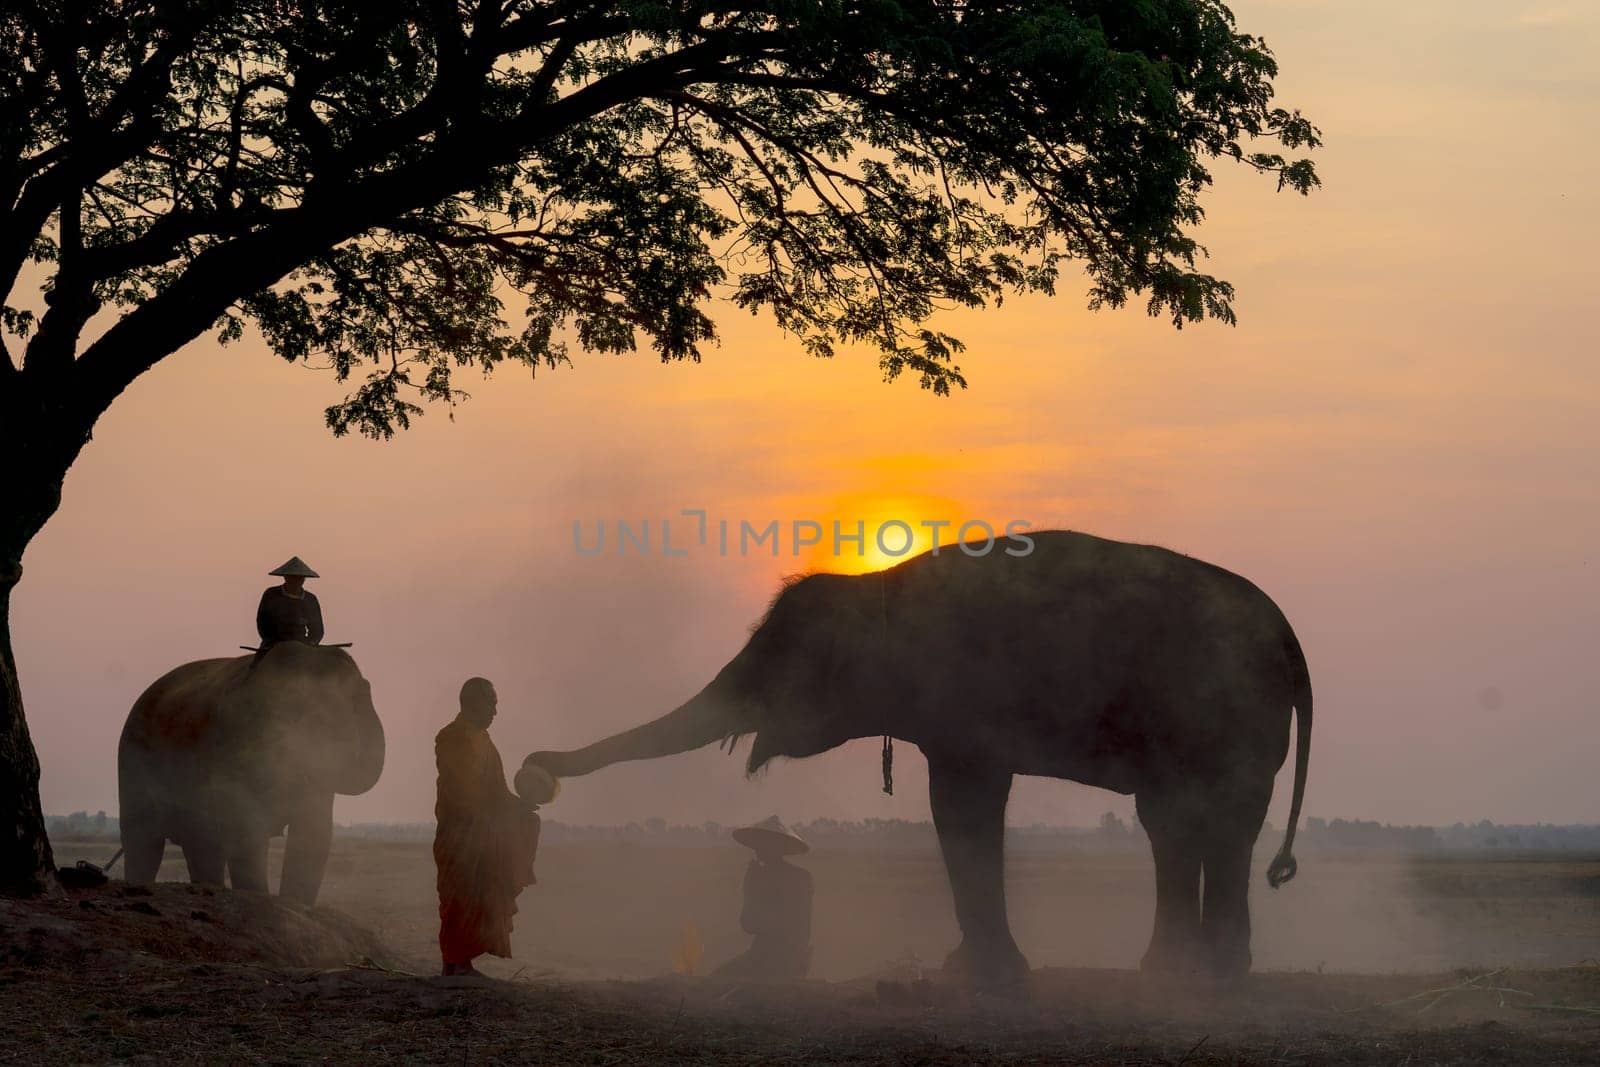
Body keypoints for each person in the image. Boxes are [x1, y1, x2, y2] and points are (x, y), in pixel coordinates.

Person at [434, 677, 540, 977]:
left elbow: (498, 790)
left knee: (478, 896)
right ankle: (453, 963)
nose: (495, 711)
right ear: (471, 703)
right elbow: (463, 789)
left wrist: (518, 806)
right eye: (491, 703)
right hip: (458, 834)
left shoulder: (486, 743)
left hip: (482, 833)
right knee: (457, 898)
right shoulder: (450, 737)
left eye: (496, 705)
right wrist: (495, 810)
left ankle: (462, 962)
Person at [713, 816, 813, 981]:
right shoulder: (803, 877)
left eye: (764, 844)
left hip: (769, 959)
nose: (758, 849)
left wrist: (751, 885)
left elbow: (749, 924)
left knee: (716, 982)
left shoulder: (762, 878)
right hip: (796, 958)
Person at [255, 556, 325, 649]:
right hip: (274, 644)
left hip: (303, 645)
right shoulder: (271, 594)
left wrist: (311, 643)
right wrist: (270, 641)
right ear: (285, 577)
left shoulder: (310, 599)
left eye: (300, 578)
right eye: (292, 577)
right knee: (258, 663)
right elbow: (262, 622)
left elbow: (317, 629)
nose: (296, 581)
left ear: (304, 579)